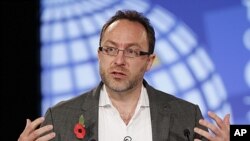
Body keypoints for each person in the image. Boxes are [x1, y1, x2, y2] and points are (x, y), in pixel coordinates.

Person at [18, 10, 230, 141]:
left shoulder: (187, 116)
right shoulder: (60, 118)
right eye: (110, 49)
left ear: (149, 61)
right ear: (99, 55)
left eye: (131, 51)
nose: (119, 60)